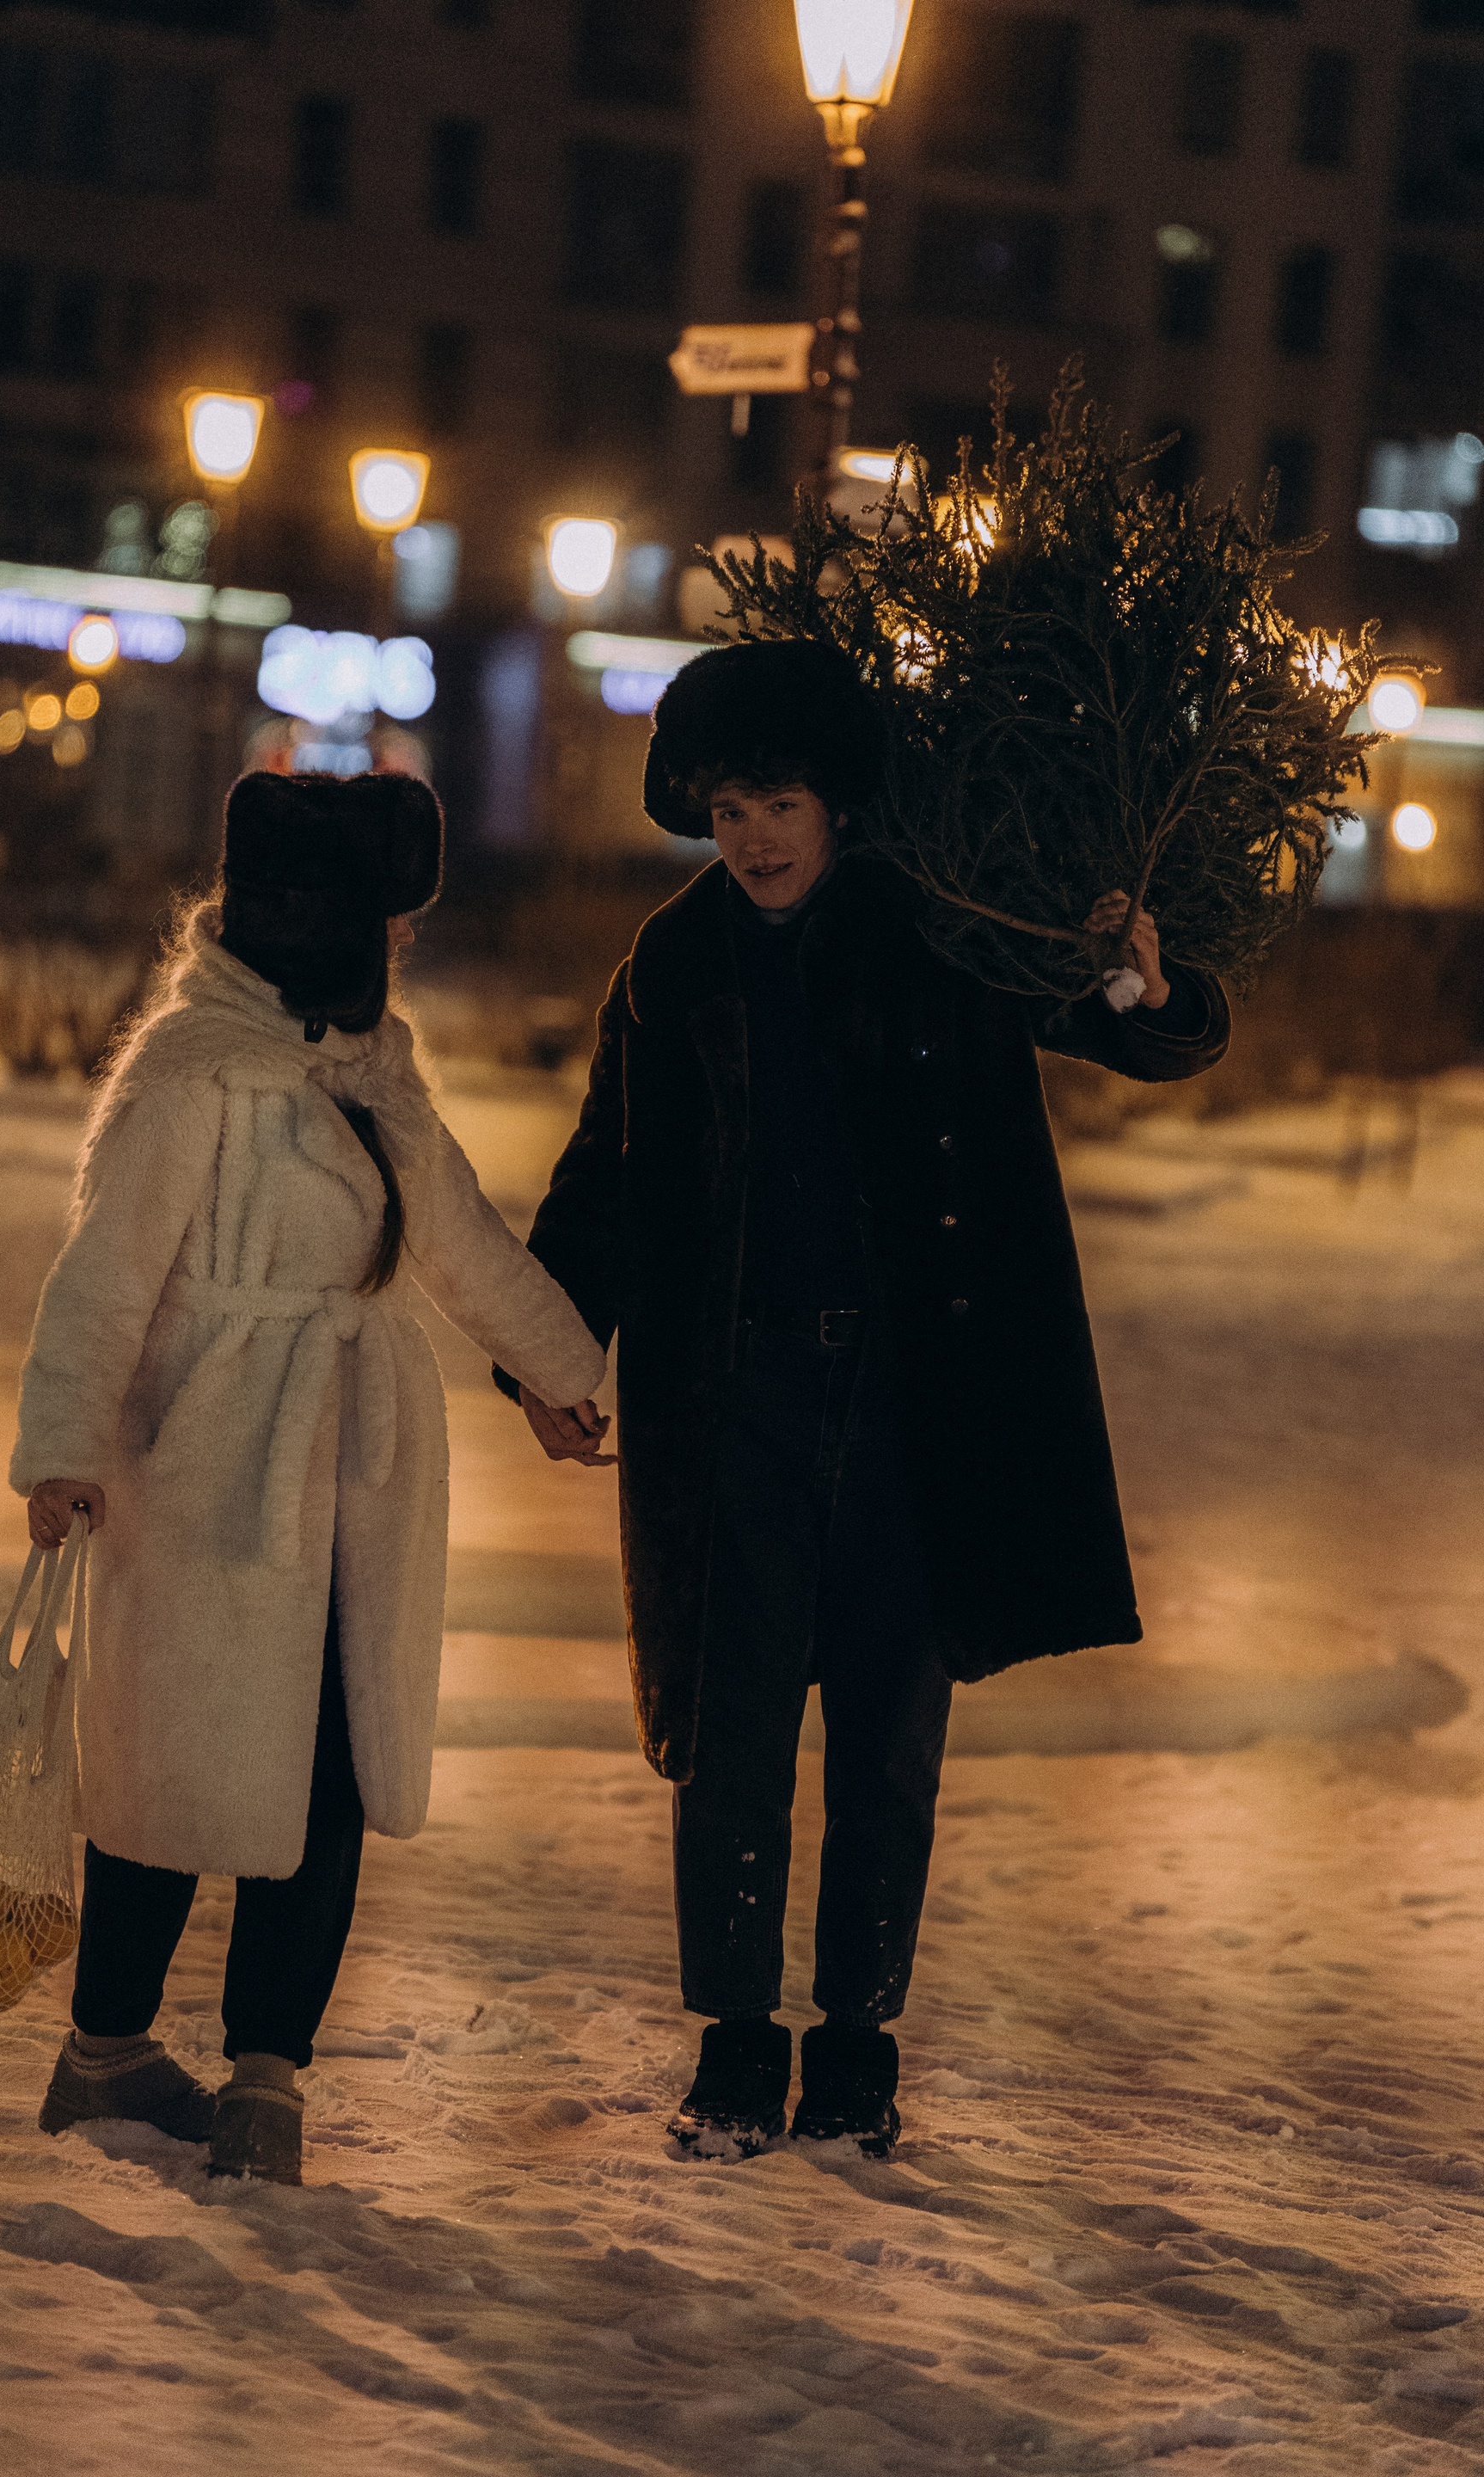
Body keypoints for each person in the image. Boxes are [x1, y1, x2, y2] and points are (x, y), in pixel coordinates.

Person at [497, 637, 1230, 2160]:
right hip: (735, 1400)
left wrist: (1149, 983)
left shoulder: (937, 928)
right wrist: (548, 1356)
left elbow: (1115, 1016)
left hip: (911, 1402)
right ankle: (734, 2045)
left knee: (890, 1735)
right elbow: (606, 1176)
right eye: (726, 810)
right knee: (734, 1729)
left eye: (779, 804)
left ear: (837, 802)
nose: (753, 838)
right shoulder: (675, 962)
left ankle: (855, 2049)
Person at [14, 768, 607, 2185]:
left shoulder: (369, 1066)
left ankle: (266, 2078)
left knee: (332, 1765)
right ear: (324, 917)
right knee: (171, 1770)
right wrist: (64, 1451)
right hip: (207, 1462)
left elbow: (457, 1238)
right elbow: (103, 1277)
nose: (405, 941)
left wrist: (561, 1370)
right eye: (388, 917)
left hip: (355, 1478)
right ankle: (105, 2046)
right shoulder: (193, 1069)